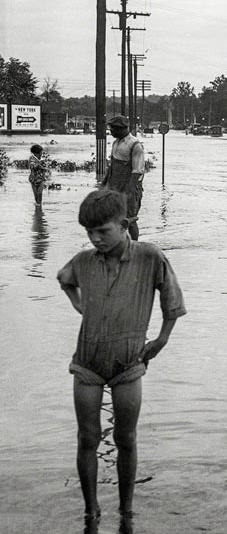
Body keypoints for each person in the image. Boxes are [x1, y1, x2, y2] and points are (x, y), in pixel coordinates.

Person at [57, 189, 185, 530]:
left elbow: (172, 300)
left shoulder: (149, 257)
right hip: (87, 364)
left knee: (125, 439)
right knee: (88, 438)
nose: (95, 239)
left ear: (124, 224)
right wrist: (79, 304)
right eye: (89, 232)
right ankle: (91, 511)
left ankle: (126, 511)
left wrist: (161, 339)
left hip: (128, 365)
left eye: (103, 231)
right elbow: (65, 279)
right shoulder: (84, 261)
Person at [102, 115, 145, 241]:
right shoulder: (116, 143)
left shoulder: (135, 145)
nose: (111, 132)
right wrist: (103, 185)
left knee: (130, 220)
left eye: (113, 129)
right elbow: (112, 167)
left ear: (120, 128)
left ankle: (134, 246)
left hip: (129, 188)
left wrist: (128, 193)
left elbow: (137, 171)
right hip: (114, 187)